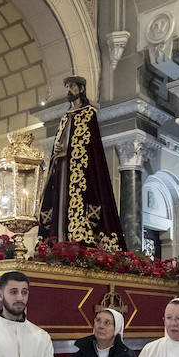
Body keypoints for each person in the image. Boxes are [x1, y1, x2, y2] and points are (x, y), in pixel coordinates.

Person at [37, 75, 126, 250]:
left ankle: (78, 241)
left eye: (72, 86)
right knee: (59, 204)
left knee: (79, 206)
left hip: (81, 173)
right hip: (62, 170)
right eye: (67, 86)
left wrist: (68, 152)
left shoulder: (88, 114)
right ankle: (59, 240)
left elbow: (92, 148)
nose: (69, 90)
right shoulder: (65, 118)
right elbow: (59, 142)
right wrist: (57, 152)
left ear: (81, 89)